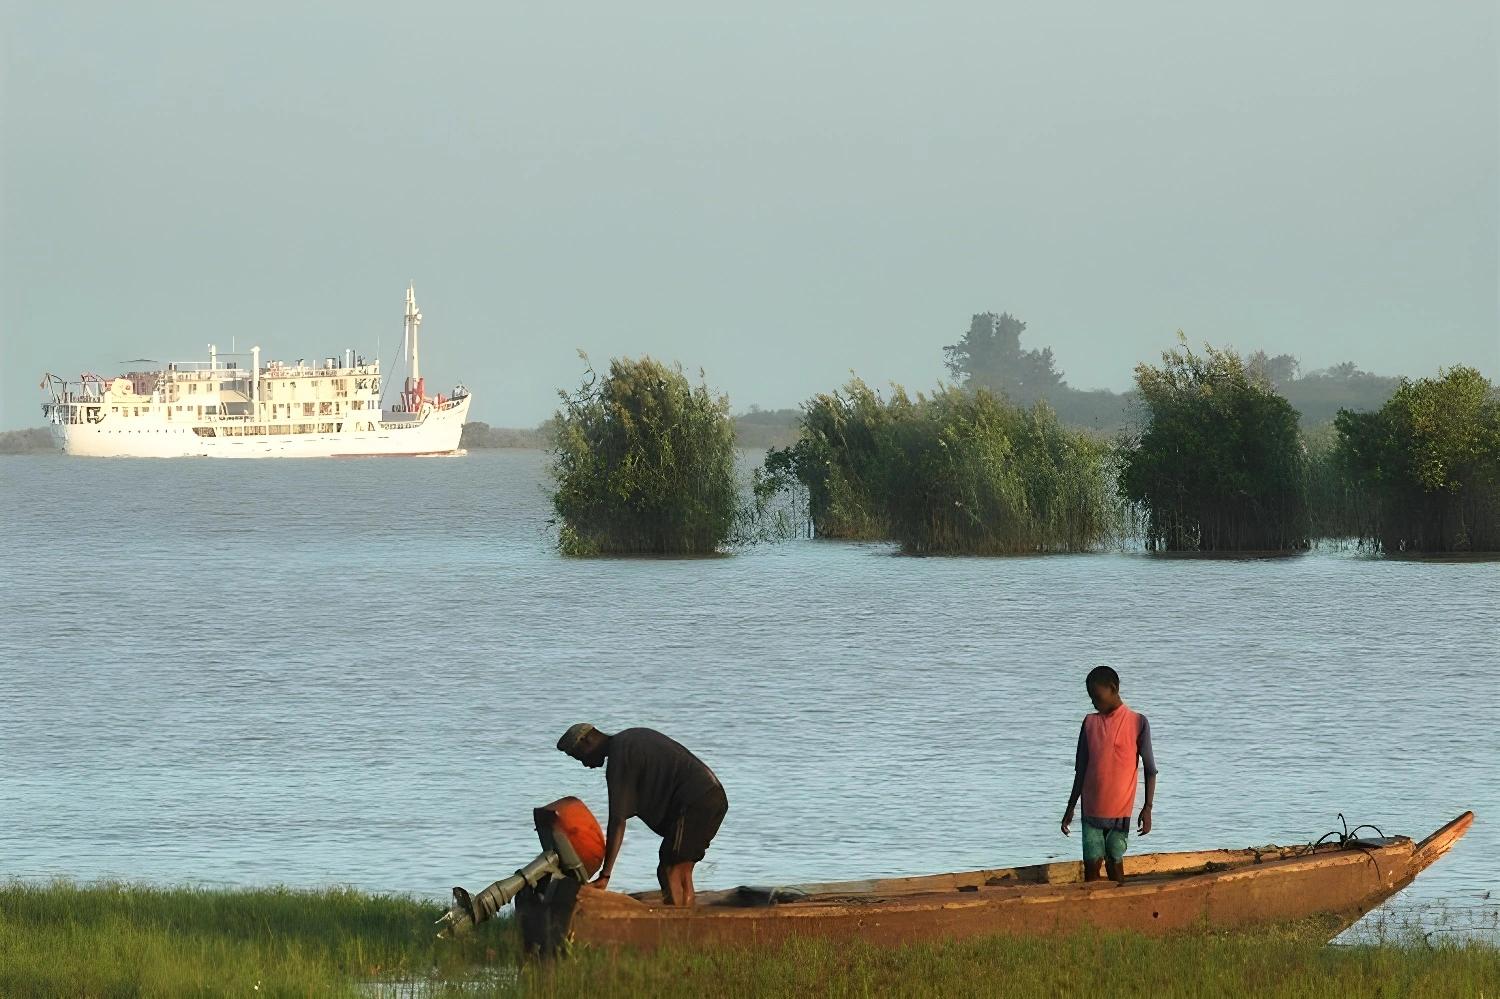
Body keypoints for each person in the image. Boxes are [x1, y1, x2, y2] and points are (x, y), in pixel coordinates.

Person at [556, 723, 728, 907]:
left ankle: (677, 927)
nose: (585, 764)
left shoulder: (620, 755)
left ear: (587, 741)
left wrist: (605, 875)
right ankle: (689, 921)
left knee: (669, 870)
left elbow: (617, 821)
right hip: (713, 796)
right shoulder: (629, 739)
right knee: (682, 870)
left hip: (696, 801)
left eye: (580, 757)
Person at [1060, 666, 1157, 884]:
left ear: (1112, 689)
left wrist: (1147, 808)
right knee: (1091, 868)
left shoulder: (1137, 722)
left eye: (1097, 696)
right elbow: (1081, 770)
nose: (1094, 702)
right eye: (1091, 697)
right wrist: (1070, 807)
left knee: (1115, 861)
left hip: (1119, 814)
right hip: (1091, 811)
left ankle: (1120, 907)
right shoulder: (1089, 723)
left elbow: (1150, 770)